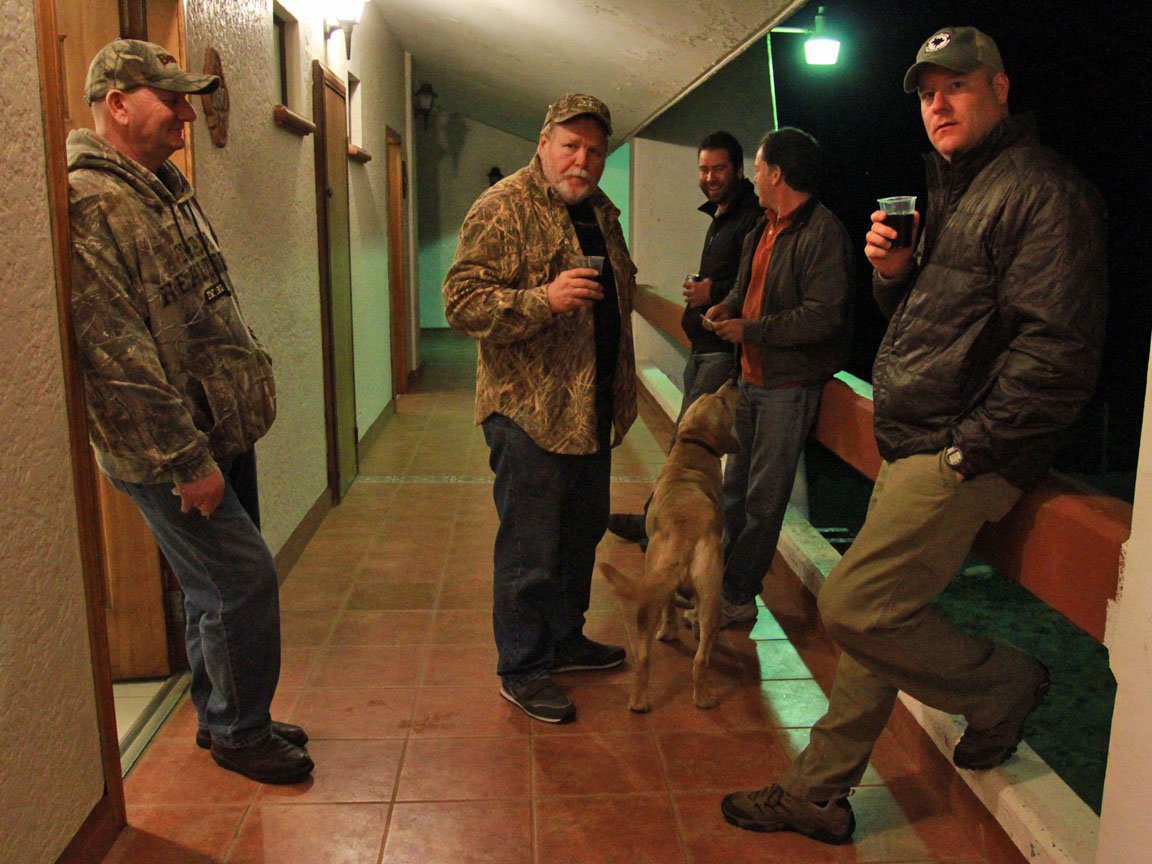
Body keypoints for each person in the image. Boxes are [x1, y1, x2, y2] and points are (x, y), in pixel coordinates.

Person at [721, 27, 1107, 844]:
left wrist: (971, 447)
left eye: (956, 85)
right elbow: (943, 324)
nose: (938, 104)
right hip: (922, 438)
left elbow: (1058, 351)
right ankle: (817, 792)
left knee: (852, 604)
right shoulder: (965, 188)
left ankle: (1003, 682)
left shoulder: (1042, 190)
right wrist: (894, 278)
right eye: (927, 93)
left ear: (1000, 88)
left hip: (961, 452)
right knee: (880, 617)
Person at [68, 39, 312, 784]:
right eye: (170, 99)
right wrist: (188, 461)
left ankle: (225, 713)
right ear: (117, 103)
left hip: (215, 426)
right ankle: (241, 732)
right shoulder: (92, 201)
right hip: (172, 447)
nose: (185, 113)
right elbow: (116, 358)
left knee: (213, 587)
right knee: (242, 581)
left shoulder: (159, 183)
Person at [443, 94, 638, 724]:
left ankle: (564, 639)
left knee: (581, 533)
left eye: (595, 151)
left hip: (590, 411)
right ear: (544, 141)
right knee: (531, 548)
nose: (582, 161)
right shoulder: (503, 208)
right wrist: (544, 300)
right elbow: (462, 303)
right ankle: (522, 665)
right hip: (529, 413)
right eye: (570, 146)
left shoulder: (599, 211)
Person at [705, 127, 854, 627]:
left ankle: (738, 595)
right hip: (750, 381)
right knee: (735, 492)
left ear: (777, 174)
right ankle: (721, 585)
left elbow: (822, 317)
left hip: (787, 389)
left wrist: (749, 329)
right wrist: (726, 306)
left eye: (760, 165)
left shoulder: (823, 233)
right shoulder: (762, 227)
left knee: (764, 502)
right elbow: (745, 288)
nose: (754, 175)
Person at [607, 131, 763, 549]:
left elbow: (753, 284)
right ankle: (657, 523)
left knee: (687, 446)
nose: (710, 177)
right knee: (683, 445)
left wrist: (713, 293)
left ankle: (663, 530)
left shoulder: (751, 218)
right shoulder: (723, 214)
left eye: (719, 168)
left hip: (722, 351)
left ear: (740, 171)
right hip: (704, 344)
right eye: (704, 168)